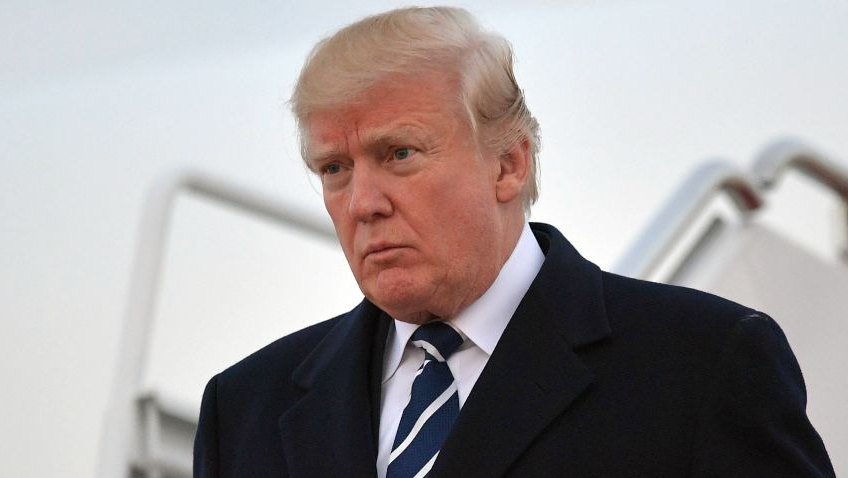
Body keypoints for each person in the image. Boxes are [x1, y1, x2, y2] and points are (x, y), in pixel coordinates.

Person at [193, 6, 834, 477]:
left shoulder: (704, 364)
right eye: (334, 168)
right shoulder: (245, 408)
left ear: (509, 164)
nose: (363, 203)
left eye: (400, 153)